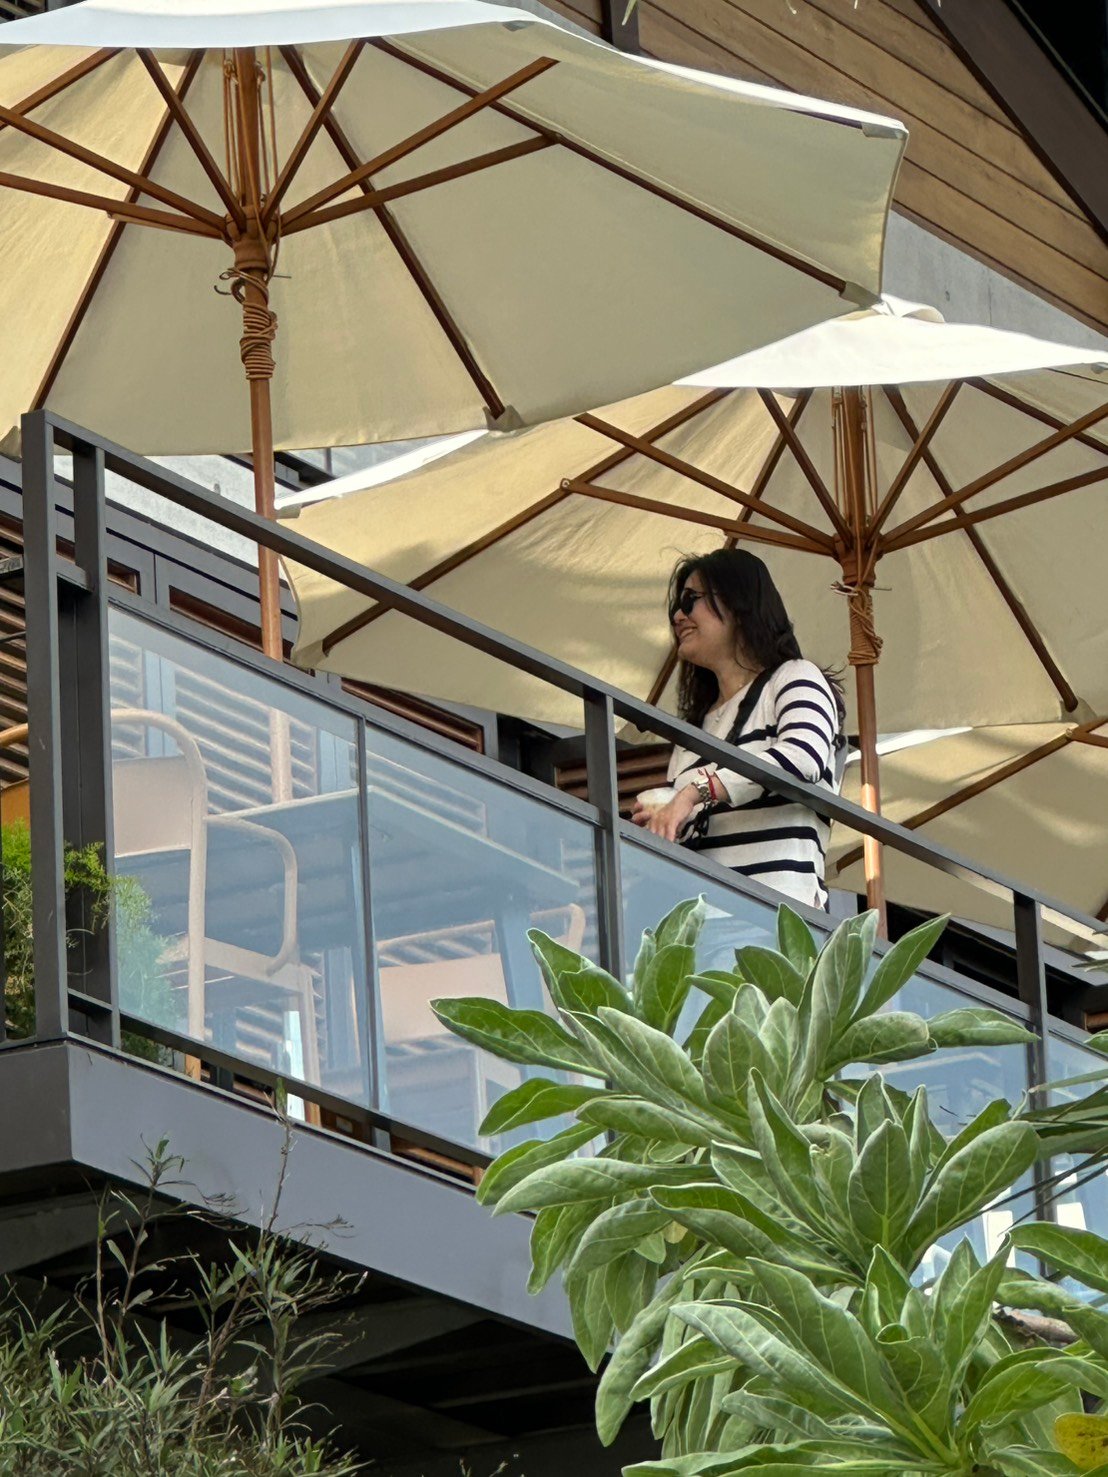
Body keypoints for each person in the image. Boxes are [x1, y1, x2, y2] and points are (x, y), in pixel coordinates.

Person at [631, 549, 846, 911]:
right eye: (676, 608)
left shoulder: (794, 677)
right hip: (704, 920)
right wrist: (666, 822)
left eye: (690, 600)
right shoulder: (695, 729)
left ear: (738, 603)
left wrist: (692, 794)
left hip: (779, 915)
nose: (679, 616)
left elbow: (802, 757)